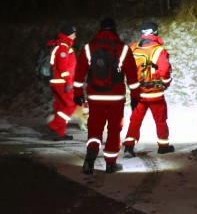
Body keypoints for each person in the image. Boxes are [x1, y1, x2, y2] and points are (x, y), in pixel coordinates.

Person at [73, 18, 141, 174]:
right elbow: (132, 76)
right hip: (116, 97)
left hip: (95, 96)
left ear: (100, 29)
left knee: (95, 127)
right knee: (114, 129)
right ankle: (110, 163)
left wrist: (77, 94)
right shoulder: (123, 49)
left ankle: (90, 158)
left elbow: (79, 73)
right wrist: (135, 96)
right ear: (114, 29)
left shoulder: (89, 48)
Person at [122, 22, 174, 157]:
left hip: (137, 92)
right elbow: (164, 70)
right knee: (160, 120)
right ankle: (163, 146)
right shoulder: (158, 50)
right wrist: (166, 83)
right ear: (155, 33)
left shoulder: (133, 48)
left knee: (135, 120)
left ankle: (128, 147)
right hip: (155, 93)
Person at [46, 25, 78, 141]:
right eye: (74, 33)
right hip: (62, 83)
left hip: (57, 82)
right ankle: (53, 126)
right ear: (68, 34)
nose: (75, 35)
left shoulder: (60, 45)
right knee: (71, 104)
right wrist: (69, 82)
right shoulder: (63, 47)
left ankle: (60, 133)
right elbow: (62, 66)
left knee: (61, 107)